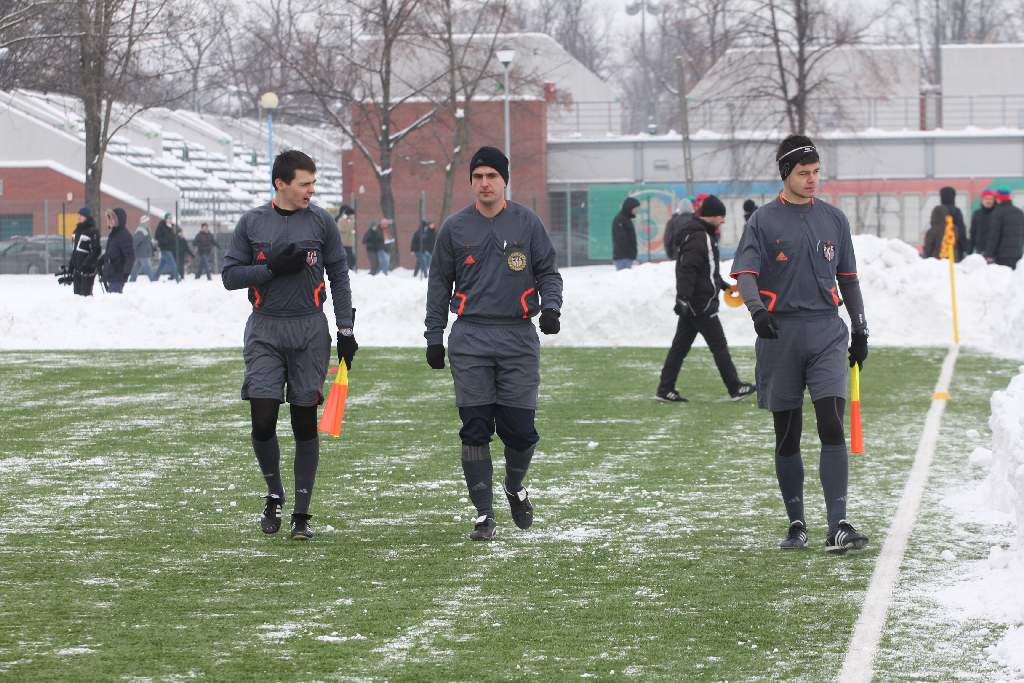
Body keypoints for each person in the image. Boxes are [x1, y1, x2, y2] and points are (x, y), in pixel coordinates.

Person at [730, 134, 870, 554]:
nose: (812, 180)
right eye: (803, 173)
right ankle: (796, 522)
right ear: (786, 175)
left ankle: (838, 524)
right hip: (780, 338)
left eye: (815, 172)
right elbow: (746, 274)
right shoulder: (763, 221)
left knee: (831, 421)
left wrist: (860, 328)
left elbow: (849, 280)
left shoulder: (834, 220)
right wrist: (757, 311)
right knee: (787, 435)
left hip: (827, 333)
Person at [424, 146, 563, 541]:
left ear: (504, 181)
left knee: (520, 430)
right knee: (476, 427)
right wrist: (434, 336)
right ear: (470, 182)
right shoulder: (454, 228)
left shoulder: (527, 223)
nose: (485, 183)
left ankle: (514, 487)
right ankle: (484, 513)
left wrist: (550, 308)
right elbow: (438, 286)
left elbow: (549, 274)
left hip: (518, 337)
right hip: (470, 338)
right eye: (478, 176)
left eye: (492, 176)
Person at [222, 150, 358, 541]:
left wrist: (346, 328)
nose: (311, 191)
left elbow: (339, 275)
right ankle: (273, 493)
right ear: (280, 183)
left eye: (314, 184)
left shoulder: (321, 222)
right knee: (262, 417)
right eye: (304, 184)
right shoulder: (252, 223)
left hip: (310, 331)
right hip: (265, 330)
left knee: (303, 421)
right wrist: (270, 269)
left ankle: (301, 512)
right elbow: (230, 276)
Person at [656, 195, 756, 403]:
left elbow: (706, 271)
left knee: (680, 348)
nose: (723, 220)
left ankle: (664, 389)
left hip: (694, 303)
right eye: (721, 216)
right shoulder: (700, 237)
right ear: (712, 216)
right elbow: (688, 270)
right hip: (700, 304)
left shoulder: (702, 235)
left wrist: (723, 285)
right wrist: (683, 298)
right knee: (719, 346)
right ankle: (735, 387)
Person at [985, 188, 1024, 269]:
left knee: (1003, 279)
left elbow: (994, 236)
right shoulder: (1019, 212)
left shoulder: (998, 212)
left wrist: (989, 254)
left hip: (1002, 255)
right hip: (1017, 253)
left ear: (999, 198)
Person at [66, 207, 101, 296]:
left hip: (87, 271)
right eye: (79, 215)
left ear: (87, 217)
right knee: (77, 296)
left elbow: (96, 250)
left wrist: (86, 264)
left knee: (86, 297)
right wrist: (70, 269)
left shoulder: (93, 231)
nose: (79, 217)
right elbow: (74, 252)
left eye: (81, 215)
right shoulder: (76, 231)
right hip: (77, 270)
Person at [99, 208, 134, 293]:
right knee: (111, 301)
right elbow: (112, 252)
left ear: (117, 220)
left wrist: (125, 273)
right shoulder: (114, 234)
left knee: (113, 302)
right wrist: (101, 261)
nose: (108, 221)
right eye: (108, 218)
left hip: (118, 276)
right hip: (111, 274)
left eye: (111, 218)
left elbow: (130, 256)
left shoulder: (124, 235)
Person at [612, 196, 639, 270]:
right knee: (624, 279)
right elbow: (621, 240)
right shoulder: (620, 220)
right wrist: (630, 252)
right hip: (623, 258)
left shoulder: (626, 219)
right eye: (635, 208)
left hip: (626, 257)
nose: (636, 210)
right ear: (630, 208)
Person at [154, 213, 180, 282]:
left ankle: (155, 277)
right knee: (173, 263)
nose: (170, 220)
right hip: (164, 248)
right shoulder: (161, 226)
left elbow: (173, 236)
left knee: (162, 264)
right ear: (165, 219)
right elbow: (157, 236)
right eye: (169, 218)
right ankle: (177, 278)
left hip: (170, 248)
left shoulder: (171, 227)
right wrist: (165, 241)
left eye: (171, 218)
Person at [969, 190, 997, 256]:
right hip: (980, 249)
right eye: (986, 199)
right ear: (982, 200)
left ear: (994, 200)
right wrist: (969, 250)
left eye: (991, 199)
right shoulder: (977, 214)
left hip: (995, 250)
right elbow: (973, 232)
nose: (988, 201)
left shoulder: (998, 213)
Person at [130, 218, 157, 282]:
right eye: (148, 221)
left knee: (136, 268)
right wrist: (132, 249)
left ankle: (132, 280)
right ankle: (153, 280)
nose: (149, 223)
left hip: (143, 252)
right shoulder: (141, 230)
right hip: (143, 253)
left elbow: (148, 241)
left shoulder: (146, 229)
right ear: (144, 222)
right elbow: (135, 241)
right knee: (148, 267)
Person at [336, 205, 356, 273]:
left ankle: (350, 268)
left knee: (351, 257)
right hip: (343, 242)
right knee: (346, 256)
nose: (353, 216)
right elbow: (342, 229)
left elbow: (353, 230)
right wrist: (350, 224)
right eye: (352, 215)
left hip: (349, 242)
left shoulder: (352, 221)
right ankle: (346, 268)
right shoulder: (341, 220)